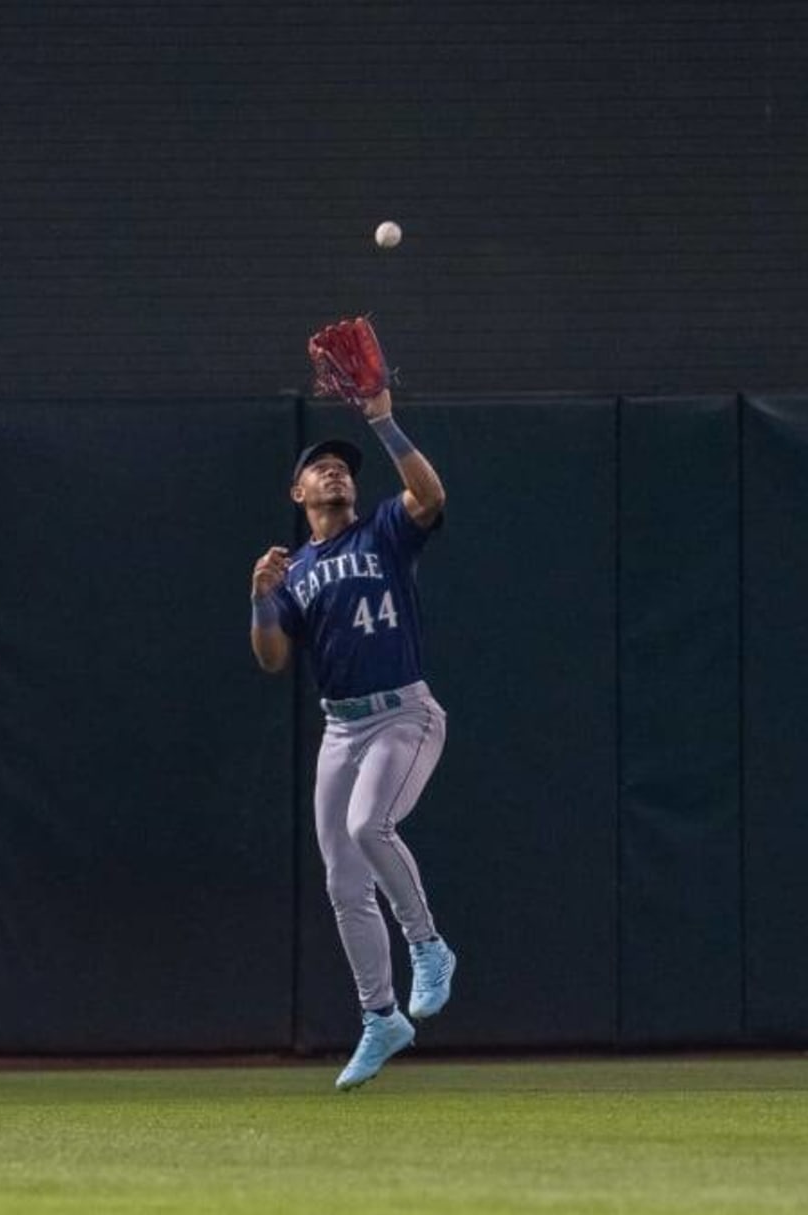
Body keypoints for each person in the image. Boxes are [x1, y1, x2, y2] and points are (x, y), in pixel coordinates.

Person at [250, 386, 456, 1091]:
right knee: (343, 882)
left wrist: (382, 420)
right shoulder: (294, 570)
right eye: (321, 465)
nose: (336, 470)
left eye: (343, 465)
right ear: (297, 489)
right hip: (342, 727)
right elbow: (273, 658)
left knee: (371, 825)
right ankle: (380, 1016)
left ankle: (429, 946)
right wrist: (259, 599)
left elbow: (428, 496)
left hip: (405, 713)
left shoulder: (382, 532)